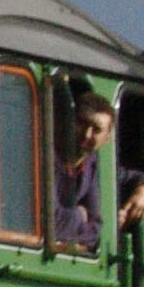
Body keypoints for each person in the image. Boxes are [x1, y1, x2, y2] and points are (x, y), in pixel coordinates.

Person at [51, 87, 111, 252]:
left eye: (96, 130)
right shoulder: (47, 156)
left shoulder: (91, 163)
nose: (86, 134)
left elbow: (96, 229)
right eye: (82, 123)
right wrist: (79, 216)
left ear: (107, 138)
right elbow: (50, 221)